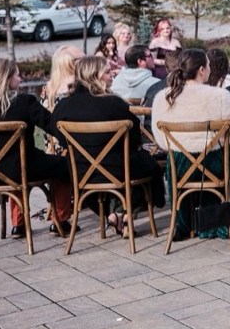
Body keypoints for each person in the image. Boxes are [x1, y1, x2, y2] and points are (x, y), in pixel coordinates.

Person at [151, 48, 230, 241]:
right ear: (202, 70)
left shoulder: (163, 97)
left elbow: (161, 139)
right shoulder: (218, 96)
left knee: (225, 162)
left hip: (178, 166)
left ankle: (185, 224)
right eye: (209, 65)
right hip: (214, 165)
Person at [51, 56, 165, 235]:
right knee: (149, 165)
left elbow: (59, 136)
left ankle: (114, 213)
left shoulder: (63, 106)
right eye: (107, 72)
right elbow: (135, 137)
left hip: (81, 171)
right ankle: (124, 214)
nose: (112, 74)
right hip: (118, 169)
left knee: (136, 165)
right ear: (95, 76)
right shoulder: (114, 103)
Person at [0, 59, 74, 238]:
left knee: (13, 169)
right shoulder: (24, 102)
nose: (20, 79)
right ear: (6, 78)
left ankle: (18, 225)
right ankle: (60, 220)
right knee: (64, 165)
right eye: (17, 75)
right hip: (24, 168)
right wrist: (71, 141)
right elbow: (52, 125)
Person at [40, 45, 83, 157]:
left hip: (54, 151)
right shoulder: (81, 87)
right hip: (79, 151)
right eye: (83, 59)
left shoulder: (47, 88)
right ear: (71, 63)